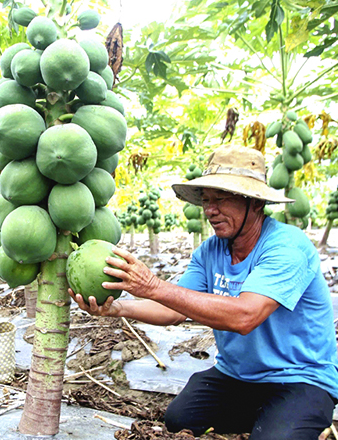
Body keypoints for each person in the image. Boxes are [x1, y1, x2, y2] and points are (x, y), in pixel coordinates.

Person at [70, 145, 338, 439]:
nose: (211, 210)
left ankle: (293, 420)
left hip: (299, 378)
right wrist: (118, 309)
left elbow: (244, 317)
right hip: (237, 376)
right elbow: (174, 310)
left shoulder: (287, 247)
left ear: (256, 204)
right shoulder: (211, 251)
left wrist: (154, 285)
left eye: (221, 199)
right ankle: (269, 418)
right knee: (180, 419)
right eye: (207, 201)